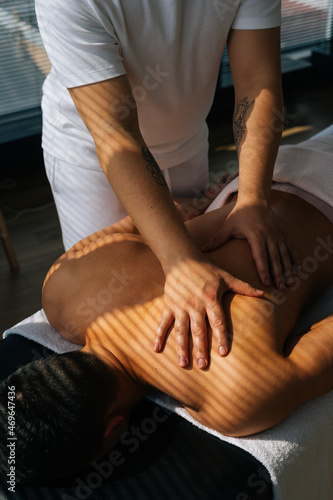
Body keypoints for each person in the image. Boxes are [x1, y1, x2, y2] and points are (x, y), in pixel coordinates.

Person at [1, 134, 333, 485]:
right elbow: (170, 212)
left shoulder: (236, 399)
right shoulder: (62, 286)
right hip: (271, 169)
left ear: (113, 431)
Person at [34, 0, 299, 365]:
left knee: (187, 285)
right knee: (106, 302)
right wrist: (179, 261)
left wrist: (253, 198)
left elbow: (258, 81)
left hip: (187, 138)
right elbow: (115, 134)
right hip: (93, 158)